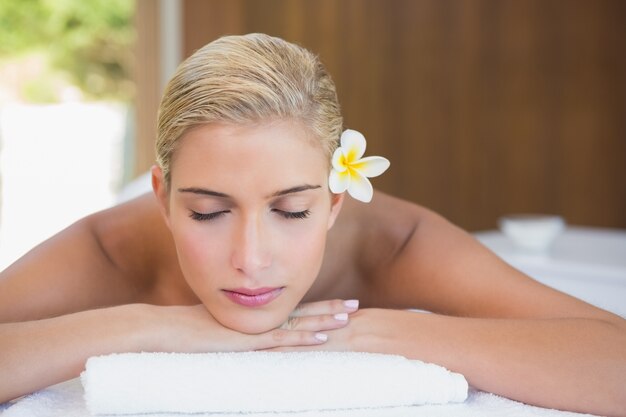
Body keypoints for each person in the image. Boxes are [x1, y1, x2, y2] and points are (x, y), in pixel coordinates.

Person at [0, 33, 624, 415]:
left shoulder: (396, 245)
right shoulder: (114, 248)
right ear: (163, 198)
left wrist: (374, 334)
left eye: (291, 210)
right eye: (208, 212)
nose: (251, 257)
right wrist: (145, 326)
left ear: (333, 201)